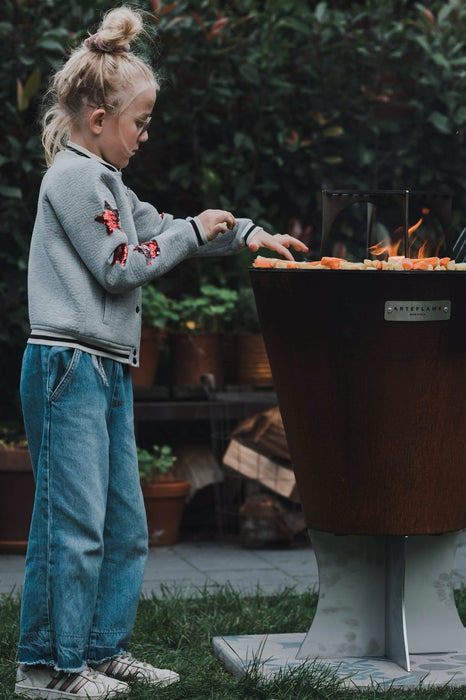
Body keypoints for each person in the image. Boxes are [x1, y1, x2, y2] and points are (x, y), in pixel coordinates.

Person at [15, 6, 307, 699]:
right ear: (97, 120)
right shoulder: (74, 180)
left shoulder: (108, 181)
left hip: (102, 366)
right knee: (75, 525)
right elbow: (123, 263)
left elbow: (168, 229)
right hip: (67, 367)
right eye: (139, 122)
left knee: (124, 524)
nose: (145, 135)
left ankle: (100, 650)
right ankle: (47, 670)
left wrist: (246, 234)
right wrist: (189, 234)